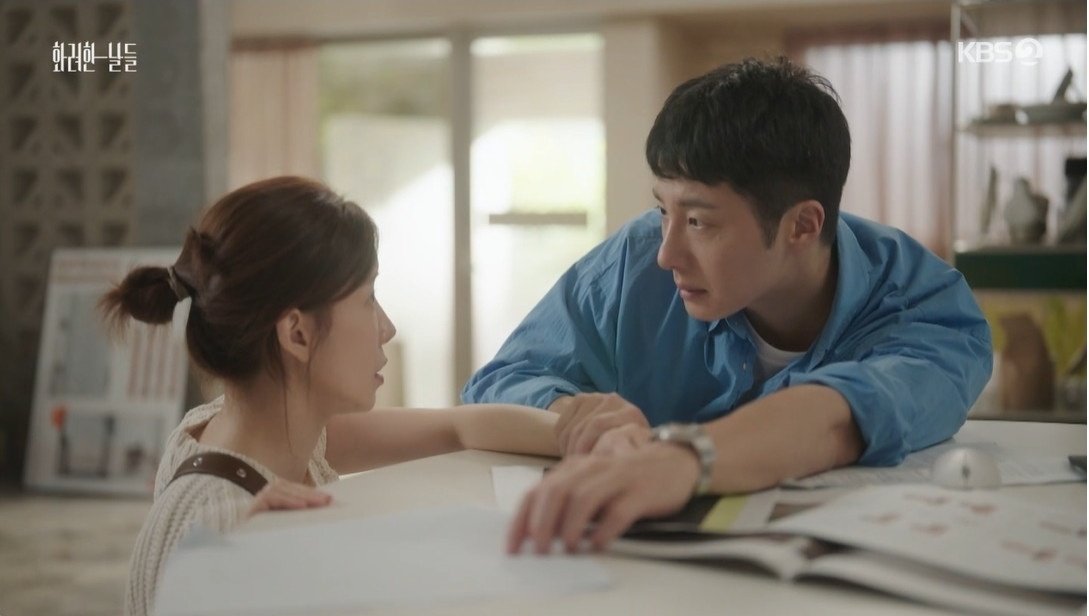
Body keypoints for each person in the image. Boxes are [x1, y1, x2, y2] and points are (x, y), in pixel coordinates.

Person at [457, 58, 993, 553]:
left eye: (698, 221)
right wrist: (578, 417)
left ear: (802, 226)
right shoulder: (634, 261)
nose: (667, 254)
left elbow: (844, 416)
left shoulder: (925, 304)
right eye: (662, 210)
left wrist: (685, 459)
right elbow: (500, 381)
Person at [106, 176, 558, 616]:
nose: (387, 327)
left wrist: (585, 433)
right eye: (368, 298)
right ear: (297, 333)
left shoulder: (249, 430)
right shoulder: (230, 530)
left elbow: (459, 426)